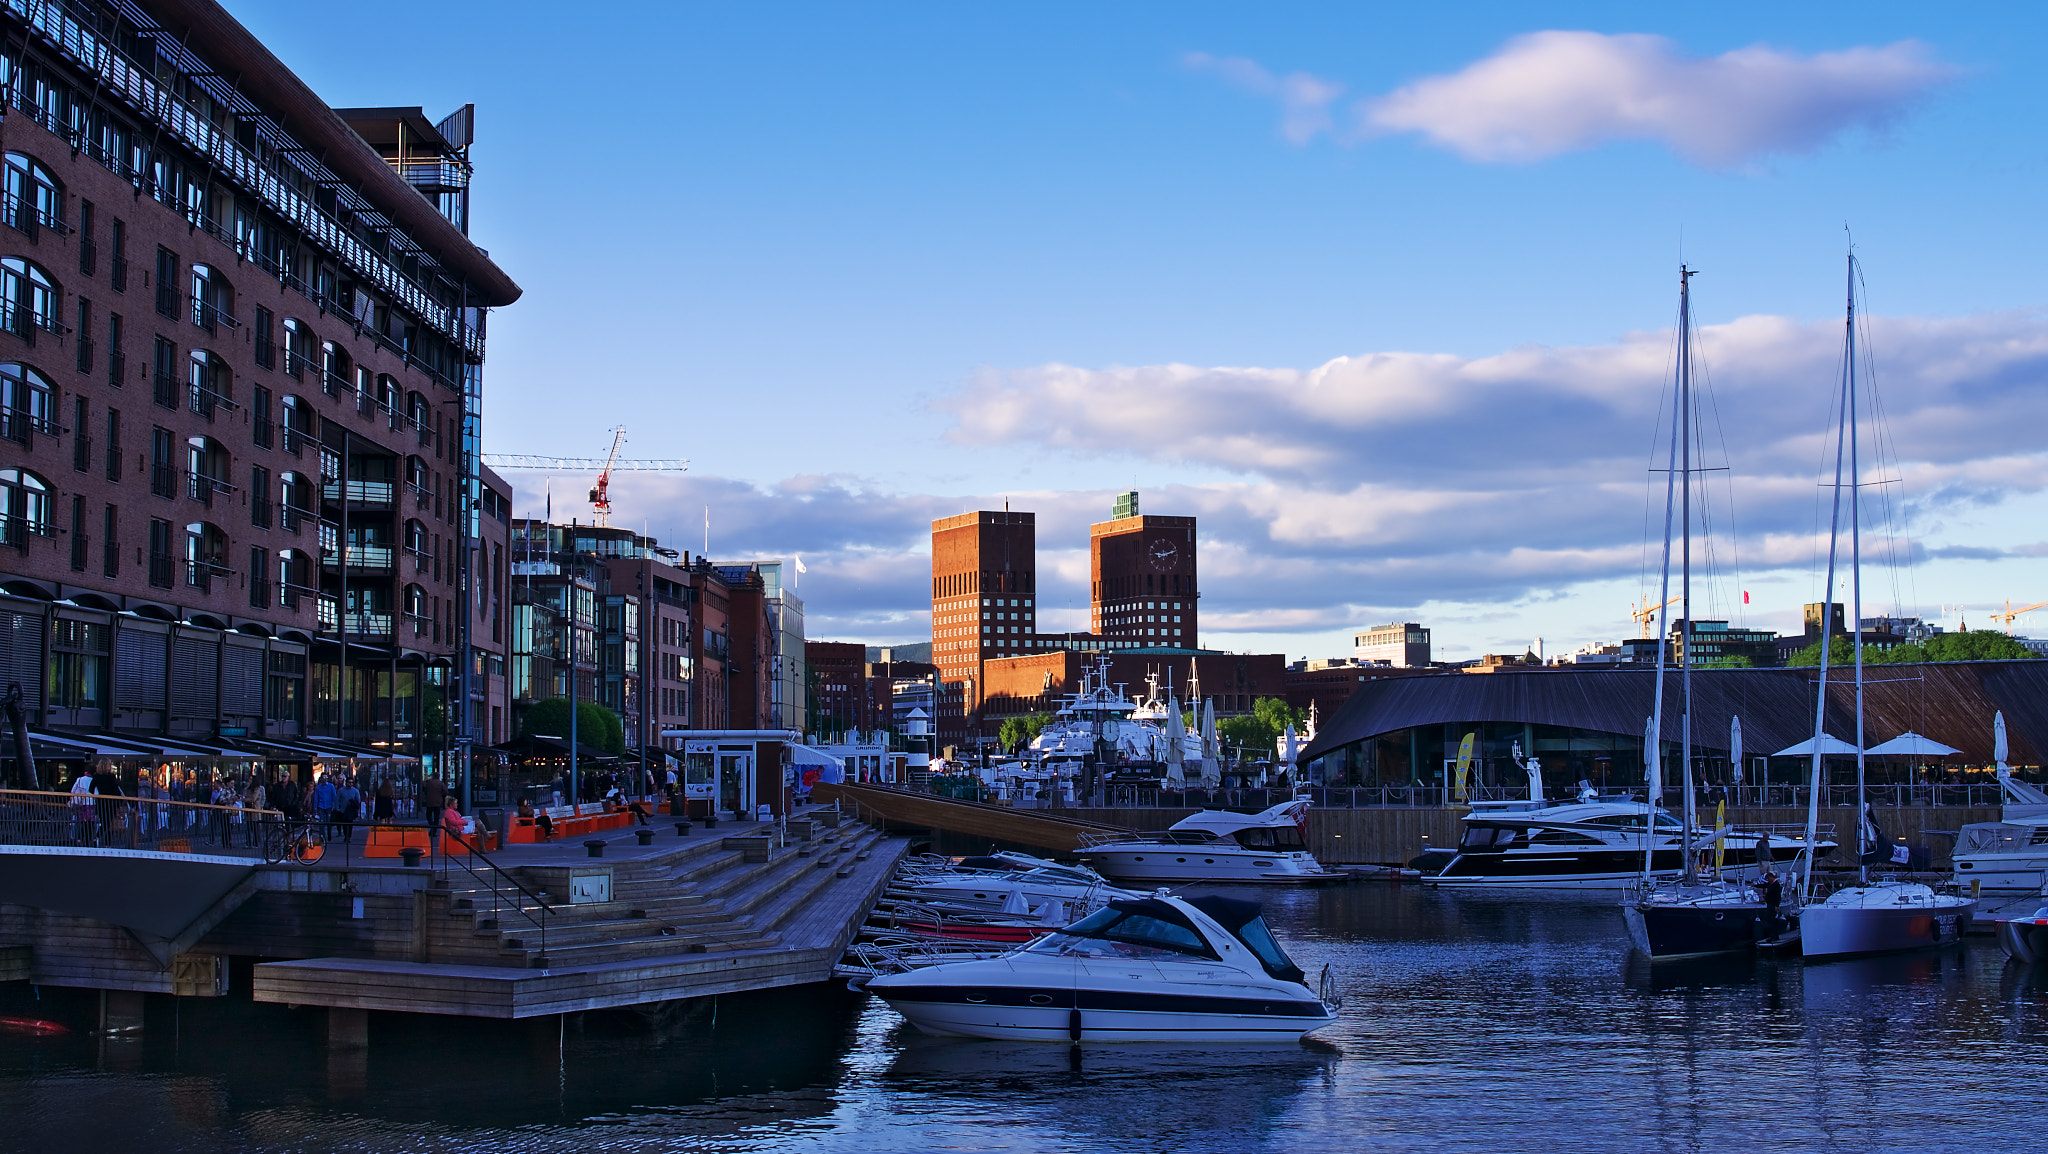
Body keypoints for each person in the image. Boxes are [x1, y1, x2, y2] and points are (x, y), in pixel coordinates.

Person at [69, 768, 97, 845]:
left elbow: (73, 790)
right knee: (90, 823)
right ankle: (88, 840)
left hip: (81, 803)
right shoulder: (93, 780)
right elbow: (96, 793)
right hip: (91, 803)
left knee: (81, 821)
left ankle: (78, 838)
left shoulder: (80, 779)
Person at [335, 775, 362, 844]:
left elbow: (358, 800)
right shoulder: (341, 790)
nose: (350, 784)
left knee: (350, 825)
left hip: (351, 811)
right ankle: (345, 836)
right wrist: (338, 808)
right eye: (349, 782)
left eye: (352, 782)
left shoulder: (355, 791)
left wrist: (357, 809)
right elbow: (337, 800)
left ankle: (348, 837)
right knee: (344, 824)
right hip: (343, 810)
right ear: (346, 782)